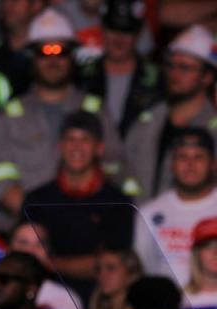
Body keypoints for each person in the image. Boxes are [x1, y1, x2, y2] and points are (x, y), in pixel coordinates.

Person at [0, 8, 122, 219]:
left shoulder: (95, 110)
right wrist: (41, 217)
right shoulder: (12, 114)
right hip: (27, 230)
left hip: (88, 227)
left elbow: (115, 168)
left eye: (61, 52)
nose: (53, 61)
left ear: (72, 58)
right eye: (44, 52)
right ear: (32, 58)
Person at [22, 110, 134, 300]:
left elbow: (111, 265)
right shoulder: (37, 200)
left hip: (98, 305)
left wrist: (50, 263)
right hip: (41, 302)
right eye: (70, 139)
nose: (76, 147)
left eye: (85, 139)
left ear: (99, 148)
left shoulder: (118, 202)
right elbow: (22, 255)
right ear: (59, 146)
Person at [124, 24, 217, 201]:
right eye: (171, 65)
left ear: (207, 77)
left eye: (185, 68)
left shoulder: (213, 131)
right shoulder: (147, 121)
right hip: (143, 222)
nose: (174, 74)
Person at [133, 127, 217, 287]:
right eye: (182, 157)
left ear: (213, 164)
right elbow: (141, 269)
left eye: (198, 157)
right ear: (172, 164)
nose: (190, 165)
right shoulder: (149, 213)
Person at [75, 0, 162, 138]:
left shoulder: (157, 80)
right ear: (102, 29)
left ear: (138, 34)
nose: (118, 39)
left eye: (126, 31)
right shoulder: (81, 76)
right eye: (113, 29)